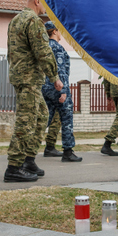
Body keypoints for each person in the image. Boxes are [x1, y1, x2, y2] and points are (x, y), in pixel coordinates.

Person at [4, 0, 61, 183]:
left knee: (42, 116)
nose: (47, 8)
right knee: (26, 121)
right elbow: (43, 51)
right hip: (29, 78)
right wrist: (54, 76)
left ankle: (28, 160)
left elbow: (11, 51)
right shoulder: (33, 21)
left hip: (23, 76)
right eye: (45, 3)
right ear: (37, 1)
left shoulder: (15, 20)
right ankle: (13, 167)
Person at [41, 22, 81, 162]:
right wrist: (63, 91)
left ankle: (27, 147)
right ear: (55, 31)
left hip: (45, 88)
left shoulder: (44, 47)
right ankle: (68, 152)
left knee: (45, 119)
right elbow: (60, 70)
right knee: (67, 119)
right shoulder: (57, 48)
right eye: (60, 30)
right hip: (57, 88)